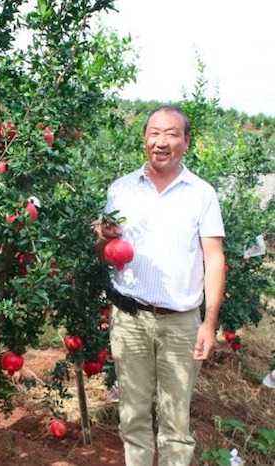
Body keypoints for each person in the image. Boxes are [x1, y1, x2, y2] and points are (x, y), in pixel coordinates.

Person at [93, 104, 226, 466]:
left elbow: (213, 259)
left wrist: (209, 323)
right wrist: (103, 237)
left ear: (185, 141)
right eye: (154, 133)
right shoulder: (121, 190)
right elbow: (105, 250)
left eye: (171, 134)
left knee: (175, 419)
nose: (161, 141)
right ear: (144, 139)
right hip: (130, 318)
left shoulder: (202, 194)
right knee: (132, 414)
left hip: (182, 322)